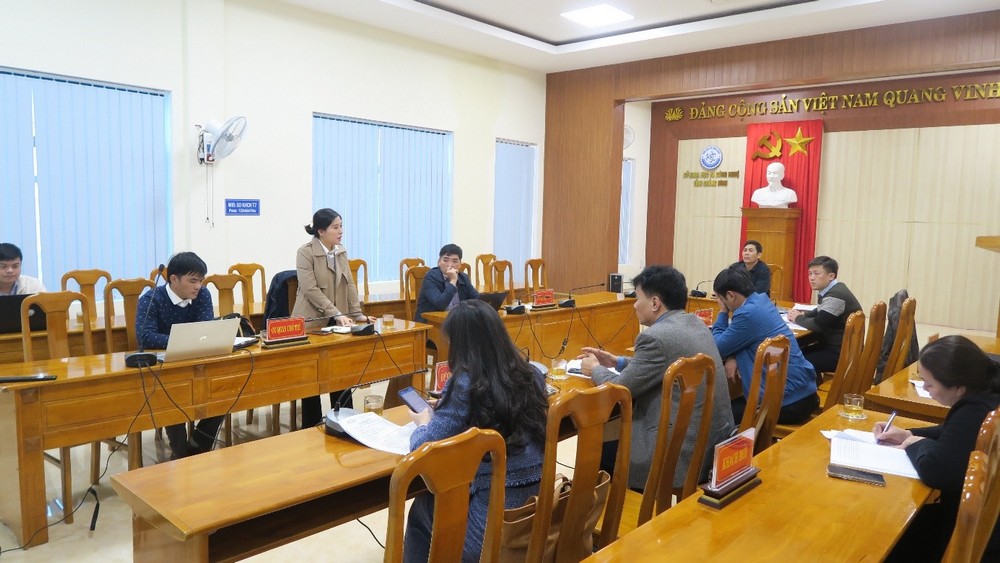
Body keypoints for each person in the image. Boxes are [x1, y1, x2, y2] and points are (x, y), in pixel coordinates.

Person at [404, 299, 548, 562]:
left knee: (423, 507)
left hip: (488, 534)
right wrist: (447, 407)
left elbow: (422, 449)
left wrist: (423, 422)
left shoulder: (465, 382)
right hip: (537, 514)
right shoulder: (531, 374)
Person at [578, 265, 735, 492]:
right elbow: (665, 366)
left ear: (654, 303)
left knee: (593, 452)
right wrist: (617, 362)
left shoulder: (655, 337)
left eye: (637, 298)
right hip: (710, 446)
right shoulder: (695, 324)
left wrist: (594, 368)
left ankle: (614, 511)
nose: (634, 305)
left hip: (679, 456)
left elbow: (620, 390)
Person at [875, 336, 1000, 562]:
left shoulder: (974, 410)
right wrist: (909, 434)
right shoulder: (988, 392)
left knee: (885, 532)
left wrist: (916, 444)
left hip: (973, 537)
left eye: (929, 384)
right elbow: (954, 433)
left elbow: (937, 471)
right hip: (981, 520)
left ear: (959, 388)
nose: (924, 388)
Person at [293, 208, 376, 428]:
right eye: (335, 227)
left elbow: (349, 284)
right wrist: (337, 314)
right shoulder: (305, 252)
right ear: (321, 231)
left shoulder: (340, 251)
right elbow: (310, 289)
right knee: (312, 377)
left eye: (341, 226)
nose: (341, 231)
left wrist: (357, 314)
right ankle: (311, 425)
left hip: (339, 319)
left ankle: (344, 421)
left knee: (342, 371)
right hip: (311, 321)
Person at [135, 251, 222, 459]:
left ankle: (198, 445)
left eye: (201, 280)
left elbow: (205, 330)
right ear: (174, 279)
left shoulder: (203, 294)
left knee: (224, 388)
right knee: (171, 393)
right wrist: (184, 340)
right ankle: (181, 453)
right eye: (193, 281)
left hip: (197, 362)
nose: (198, 286)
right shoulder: (151, 299)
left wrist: (191, 339)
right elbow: (145, 337)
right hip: (164, 368)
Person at [710, 267, 819, 424]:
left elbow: (717, 348)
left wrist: (722, 312)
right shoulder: (761, 301)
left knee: (717, 418)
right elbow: (744, 338)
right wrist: (733, 355)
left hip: (786, 403)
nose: (721, 303)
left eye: (720, 298)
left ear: (730, 295)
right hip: (805, 393)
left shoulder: (747, 314)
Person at [786, 255, 862, 374]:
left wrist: (798, 317)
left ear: (831, 276)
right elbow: (820, 310)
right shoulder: (836, 288)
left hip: (840, 353)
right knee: (793, 355)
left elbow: (818, 325)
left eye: (816, 273)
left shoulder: (836, 295)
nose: (812, 278)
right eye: (810, 273)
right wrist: (804, 314)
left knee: (793, 362)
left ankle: (805, 386)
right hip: (837, 346)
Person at [414, 243, 479, 324]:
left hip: (457, 321)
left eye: (455, 261)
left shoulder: (463, 277)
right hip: (431, 323)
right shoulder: (430, 277)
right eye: (445, 260)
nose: (450, 265)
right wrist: (453, 280)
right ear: (439, 262)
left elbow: (476, 299)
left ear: (460, 264)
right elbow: (440, 304)